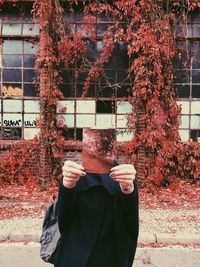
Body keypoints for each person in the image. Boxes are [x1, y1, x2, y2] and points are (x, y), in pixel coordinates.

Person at [54, 129, 139, 267]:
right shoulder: (76, 174)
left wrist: (128, 189)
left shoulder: (121, 175)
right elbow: (63, 220)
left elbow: (130, 221)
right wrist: (67, 185)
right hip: (76, 256)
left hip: (109, 256)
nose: (97, 146)